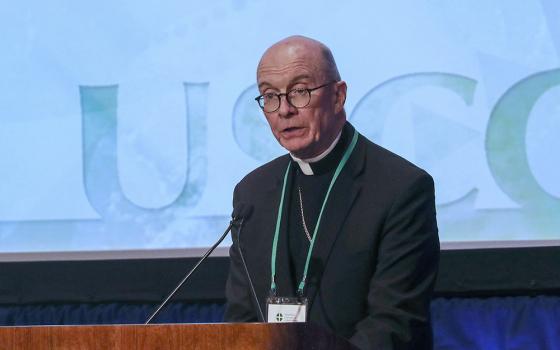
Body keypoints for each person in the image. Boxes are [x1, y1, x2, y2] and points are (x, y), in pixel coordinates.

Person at [224, 35, 440, 350]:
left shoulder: (400, 188)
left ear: (338, 96)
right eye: (269, 96)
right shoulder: (253, 194)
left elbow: (395, 322)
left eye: (299, 91)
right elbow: (241, 321)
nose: (284, 109)